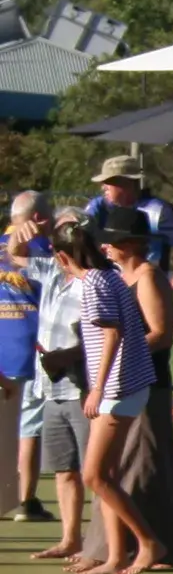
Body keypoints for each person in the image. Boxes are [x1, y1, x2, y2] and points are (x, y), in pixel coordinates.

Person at [66, 207, 164, 574]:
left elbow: (117, 333)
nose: (107, 245)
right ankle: (115, 554)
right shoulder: (111, 278)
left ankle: (148, 542)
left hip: (119, 386)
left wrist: (98, 388)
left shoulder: (101, 281)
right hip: (124, 383)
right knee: (105, 474)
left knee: (94, 475)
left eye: (113, 239)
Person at [25, 212, 90, 555]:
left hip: (83, 388)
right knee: (64, 469)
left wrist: (67, 356)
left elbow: (106, 335)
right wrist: (24, 233)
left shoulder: (93, 281)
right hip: (50, 389)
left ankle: (107, 543)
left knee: (96, 473)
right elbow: (15, 255)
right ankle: (70, 539)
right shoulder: (51, 273)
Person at [2, 192, 51, 521]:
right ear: (37, 219)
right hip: (30, 350)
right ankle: (25, 500)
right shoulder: (43, 250)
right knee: (28, 428)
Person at [86, 154, 173, 289]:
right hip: (109, 289)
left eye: (109, 181)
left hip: (147, 288)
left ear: (127, 183)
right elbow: (80, 238)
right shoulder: (97, 207)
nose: (103, 187)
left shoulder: (156, 210)